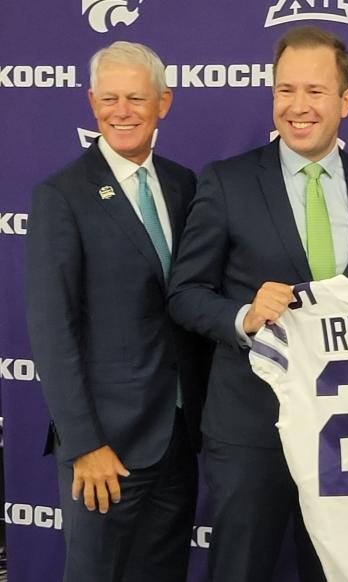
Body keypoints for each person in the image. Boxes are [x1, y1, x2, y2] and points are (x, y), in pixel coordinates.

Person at [167, 26, 348, 582]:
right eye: (285, 90)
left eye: (316, 92)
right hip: (250, 427)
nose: (298, 107)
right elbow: (184, 295)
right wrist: (242, 315)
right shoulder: (227, 182)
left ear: (347, 100)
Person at [25, 41, 208, 582]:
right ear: (90, 102)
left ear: (164, 103)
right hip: (106, 448)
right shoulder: (61, 195)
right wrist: (84, 445)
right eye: (108, 99)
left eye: (135, 98)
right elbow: (52, 329)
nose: (121, 111)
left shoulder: (183, 185)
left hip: (177, 436)